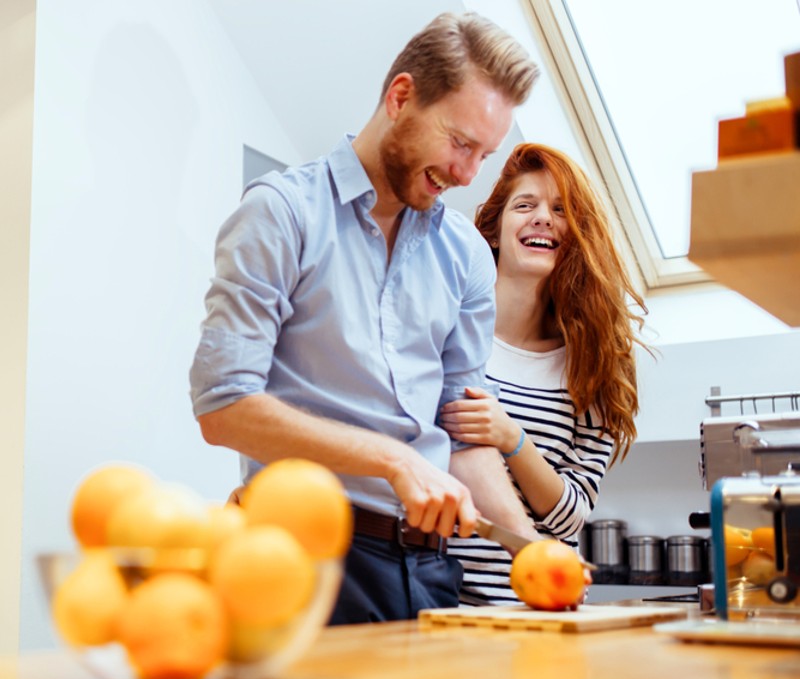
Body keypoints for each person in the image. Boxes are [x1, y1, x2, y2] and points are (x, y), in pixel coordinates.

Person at [189, 13, 541, 624]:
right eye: (460, 143)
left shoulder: (463, 256)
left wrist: (532, 549)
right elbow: (223, 408)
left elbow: (461, 435)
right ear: (400, 97)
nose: (466, 175)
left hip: (430, 571)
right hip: (303, 562)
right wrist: (395, 459)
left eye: (483, 155)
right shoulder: (281, 214)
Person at [438, 143, 649, 605]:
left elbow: (570, 518)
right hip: (444, 603)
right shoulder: (445, 332)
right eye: (525, 205)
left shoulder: (592, 365)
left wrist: (511, 438)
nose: (543, 218)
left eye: (560, 210)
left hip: (544, 607)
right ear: (493, 230)